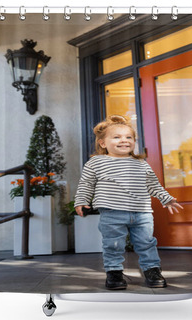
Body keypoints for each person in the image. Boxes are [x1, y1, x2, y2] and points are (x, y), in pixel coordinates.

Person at [74, 115, 183, 290]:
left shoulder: (140, 163)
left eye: (128, 137)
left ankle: (152, 271)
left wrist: (166, 198)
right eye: (117, 137)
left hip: (142, 213)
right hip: (112, 212)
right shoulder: (96, 162)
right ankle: (114, 273)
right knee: (113, 244)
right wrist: (81, 201)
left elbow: (152, 184)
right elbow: (86, 183)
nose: (124, 140)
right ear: (103, 143)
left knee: (147, 243)